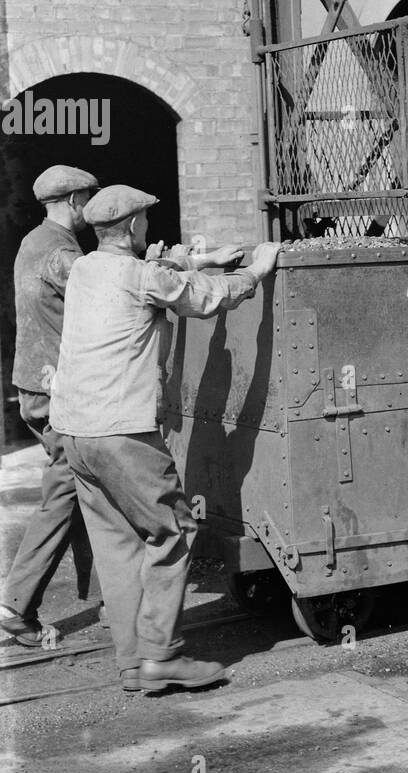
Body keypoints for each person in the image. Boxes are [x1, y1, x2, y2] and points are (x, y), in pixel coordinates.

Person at [49, 184, 281, 693]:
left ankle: (133, 664)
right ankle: (161, 655)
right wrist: (254, 271)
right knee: (173, 530)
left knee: (117, 546)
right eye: (145, 223)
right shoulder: (140, 275)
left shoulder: (86, 269)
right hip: (122, 434)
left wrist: (199, 258)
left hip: (75, 433)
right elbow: (201, 298)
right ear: (133, 227)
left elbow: (159, 272)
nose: (148, 231)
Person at [0, 165, 100, 646]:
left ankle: (107, 595)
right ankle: (16, 605)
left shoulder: (32, 241)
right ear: (76, 200)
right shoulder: (62, 251)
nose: (92, 207)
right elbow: (101, 296)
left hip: (34, 383)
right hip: (57, 390)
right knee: (67, 487)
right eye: (90, 198)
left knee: (83, 485)